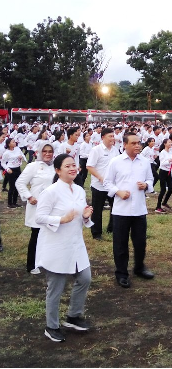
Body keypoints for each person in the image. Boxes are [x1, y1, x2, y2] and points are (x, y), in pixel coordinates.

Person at [34, 154, 94, 342]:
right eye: (67, 166)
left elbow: (82, 219)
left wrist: (85, 216)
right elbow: (39, 217)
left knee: (85, 278)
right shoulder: (50, 192)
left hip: (76, 244)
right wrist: (61, 219)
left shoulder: (79, 191)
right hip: (56, 246)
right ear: (58, 170)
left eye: (74, 165)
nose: (72, 168)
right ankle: (51, 326)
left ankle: (73, 316)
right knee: (56, 288)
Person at [103, 132, 155, 288]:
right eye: (133, 143)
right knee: (120, 244)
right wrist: (118, 192)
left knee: (140, 242)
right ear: (124, 145)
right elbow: (107, 183)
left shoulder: (145, 162)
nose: (137, 145)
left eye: (139, 143)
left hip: (139, 209)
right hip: (121, 210)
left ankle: (139, 267)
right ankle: (121, 273)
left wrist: (146, 185)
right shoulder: (116, 162)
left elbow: (150, 180)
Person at [15, 142, 55, 274]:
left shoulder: (55, 167)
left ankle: (47, 261)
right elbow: (20, 182)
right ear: (39, 152)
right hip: (37, 205)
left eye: (50, 151)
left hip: (53, 206)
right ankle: (32, 264)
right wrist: (29, 196)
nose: (48, 154)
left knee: (51, 235)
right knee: (37, 235)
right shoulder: (33, 166)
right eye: (45, 151)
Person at [86, 128, 119, 241]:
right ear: (103, 137)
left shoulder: (115, 150)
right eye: (110, 136)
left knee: (115, 207)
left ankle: (111, 228)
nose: (112, 138)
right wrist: (100, 178)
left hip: (112, 186)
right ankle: (96, 233)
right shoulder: (96, 150)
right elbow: (89, 166)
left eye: (113, 136)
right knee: (97, 210)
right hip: (98, 186)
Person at [1, 137, 27, 208]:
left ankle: (15, 202)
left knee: (17, 186)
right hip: (11, 170)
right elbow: (3, 163)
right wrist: (7, 168)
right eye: (12, 142)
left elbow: (21, 155)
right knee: (12, 186)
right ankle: (10, 203)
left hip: (17, 169)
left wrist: (21, 158)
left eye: (14, 141)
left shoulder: (17, 149)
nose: (14, 143)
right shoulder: (6, 153)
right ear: (9, 144)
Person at [155, 138, 172, 213]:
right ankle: (158, 207)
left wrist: (171, 165)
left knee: (170, 188)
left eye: (171, 142)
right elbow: (162, 163)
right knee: (163, 190)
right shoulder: (162, 152)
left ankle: (164, 203)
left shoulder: (170, 152)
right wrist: (171, 159)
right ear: (165, 144)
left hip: (168, 172)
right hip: (163, 172)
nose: (170, 143)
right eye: (169, 142)